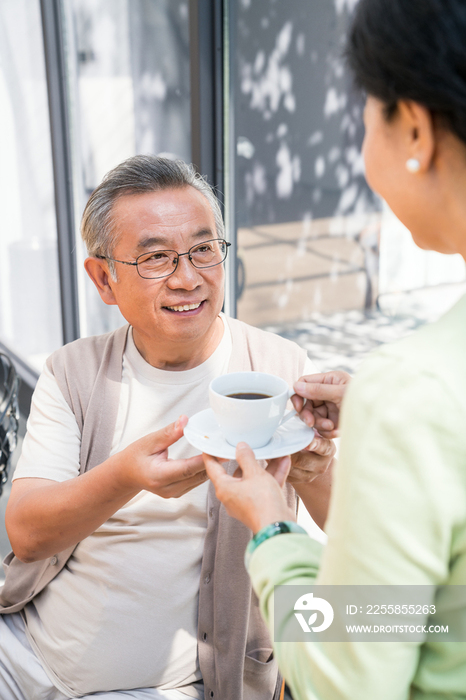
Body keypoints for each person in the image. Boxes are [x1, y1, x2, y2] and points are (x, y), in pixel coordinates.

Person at [0, 155, 337, 700]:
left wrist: (317, 466)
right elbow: (27, 533)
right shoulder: (74, 370)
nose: (188, 278)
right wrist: (126, 476)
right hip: (24, 651)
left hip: (166, 686)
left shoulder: (278, 367)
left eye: (204, 249)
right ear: (104, 278)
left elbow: (348, 534)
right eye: (156, 258)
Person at [204, 0, 466, 698]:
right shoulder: (415, 396)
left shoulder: (415, 392)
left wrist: (267, 527)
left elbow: (346, 679)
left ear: (413, 125)